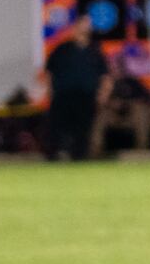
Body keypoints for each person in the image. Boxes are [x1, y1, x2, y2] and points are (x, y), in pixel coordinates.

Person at [44, 18, 107, 161]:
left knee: (83, 128)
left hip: (86, 96)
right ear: (75, 27)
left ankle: (79, 156)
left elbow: (105, 75)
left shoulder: (95, 51)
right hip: (63, 95)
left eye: (88, 26)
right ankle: (55, 154)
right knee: (58, 127)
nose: (86, 29)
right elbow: (49, 72)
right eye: (83, 25)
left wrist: (102, 94)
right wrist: (49, 91)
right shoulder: (62, 50)